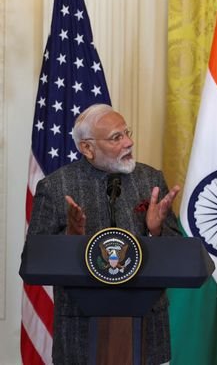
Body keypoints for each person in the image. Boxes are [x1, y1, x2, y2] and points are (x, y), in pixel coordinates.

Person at [27, 103, 181, 365]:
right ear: (87, 148)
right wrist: (72, 238)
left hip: (147, 332)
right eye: (116, 137)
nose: (129, 142)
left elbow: (178, 252)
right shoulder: (55, 187)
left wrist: (156, 230)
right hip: (81, 335)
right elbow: (35, 260)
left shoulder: (150, 179)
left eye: (127, 133)